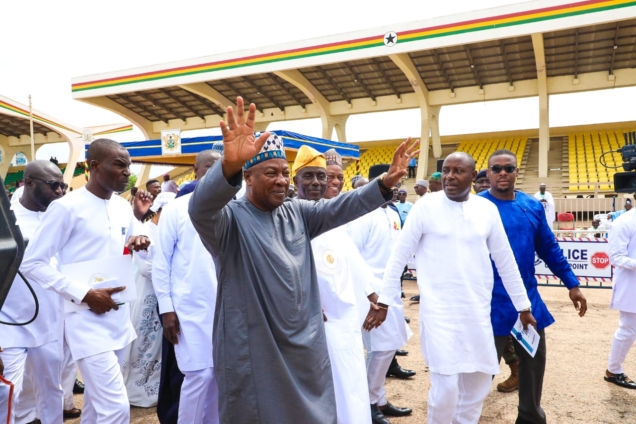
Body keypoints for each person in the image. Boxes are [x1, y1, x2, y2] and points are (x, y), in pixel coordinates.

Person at [188, 97, 417, 424]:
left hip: (303, 343)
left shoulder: (297, 213)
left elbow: (340, 207)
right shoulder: (228, 222)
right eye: (271, 173)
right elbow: (201, 208)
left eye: (285, 172)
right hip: (255, 347)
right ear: (247, 177)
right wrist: (228, 166)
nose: (282, 180)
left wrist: (384, 183)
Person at [366, 151, 535, 424]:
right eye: (446, 171)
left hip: (477, 311)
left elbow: (505, 261)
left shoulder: (486, 210)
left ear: (473, 175)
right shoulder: (425, 206)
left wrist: (523, 306)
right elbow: (398, 257)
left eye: (458, 171)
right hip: (439, 313)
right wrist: (384, 301)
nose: (449, 177)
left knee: (479, 380)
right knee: (445, 387)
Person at [21, 138, 153, 423]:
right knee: (116, 407)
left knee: (96, 404)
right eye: (119, 165)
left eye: (129, 166)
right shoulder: (66, 208)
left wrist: (141, 240)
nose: (127, 172)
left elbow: (138, 243)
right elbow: (32, 263)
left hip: (119, 318)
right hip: (85, 321)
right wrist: (84, 294)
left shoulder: (122, 207)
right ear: (94, 166)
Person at [480, 149, 587, 423]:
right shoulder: (475, 207)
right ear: (488, 173)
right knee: (480, 371)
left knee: (533, 365)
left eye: (508, 168)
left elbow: (549, 248)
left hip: (527, 301)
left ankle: (530, 417)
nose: (502, 173)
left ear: (517, 172)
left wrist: (572, 283)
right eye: (496, 168)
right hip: (487, 303)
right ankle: (464, 415)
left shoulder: (531, 206)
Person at [295, 146, 372, 424]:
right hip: (312, 320)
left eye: (323, 177)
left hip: (345, 315)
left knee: (350, 381)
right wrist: (306, 304)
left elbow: (352, 262)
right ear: (295, 180)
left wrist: (373, 295)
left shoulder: (332, 216)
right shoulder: (289, 216)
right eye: (310, 176)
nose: (320, 182)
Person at [153, 150, 222, 424]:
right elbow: (161, 263)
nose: (215, 172)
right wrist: (166, 309)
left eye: (221, 167)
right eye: (209, 166)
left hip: (225, 309)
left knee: (218, 377)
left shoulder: (234, 206)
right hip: (188, 309)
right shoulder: (176, 209)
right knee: (199, 375)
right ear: (196, 171)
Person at [0, 160, 66, 424]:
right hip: (9, 323)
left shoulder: (61, 216)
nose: (60, 191)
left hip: (50, 323)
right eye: (53, 185)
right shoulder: (6, 221)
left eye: (63, 186)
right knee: (8, 393)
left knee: (52, 391)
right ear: (28, 183)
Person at [348, 164, 414, 424]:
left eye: (398, 183)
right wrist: (369, 296)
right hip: (371, 296)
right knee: (381, 348)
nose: (395, 188)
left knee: (389, 346)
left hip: (390, 292)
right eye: (390, 182)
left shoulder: (392, 212)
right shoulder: (361, 215)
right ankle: (368, 404)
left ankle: (378, 399)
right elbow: (351, 258)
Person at [122, 192, 174, 407]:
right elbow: (146, 268)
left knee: (157, 345)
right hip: (147, 296)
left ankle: (152, 388)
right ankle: (135, 390)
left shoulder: (165, 231)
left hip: (162, 296)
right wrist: (173, 272)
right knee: (144, 342)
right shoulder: (145, 231)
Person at [605, 206, 636, 389]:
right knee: (628, 329)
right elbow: (616, 257)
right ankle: (613, 371)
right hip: (631, 286)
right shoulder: (623, 223)